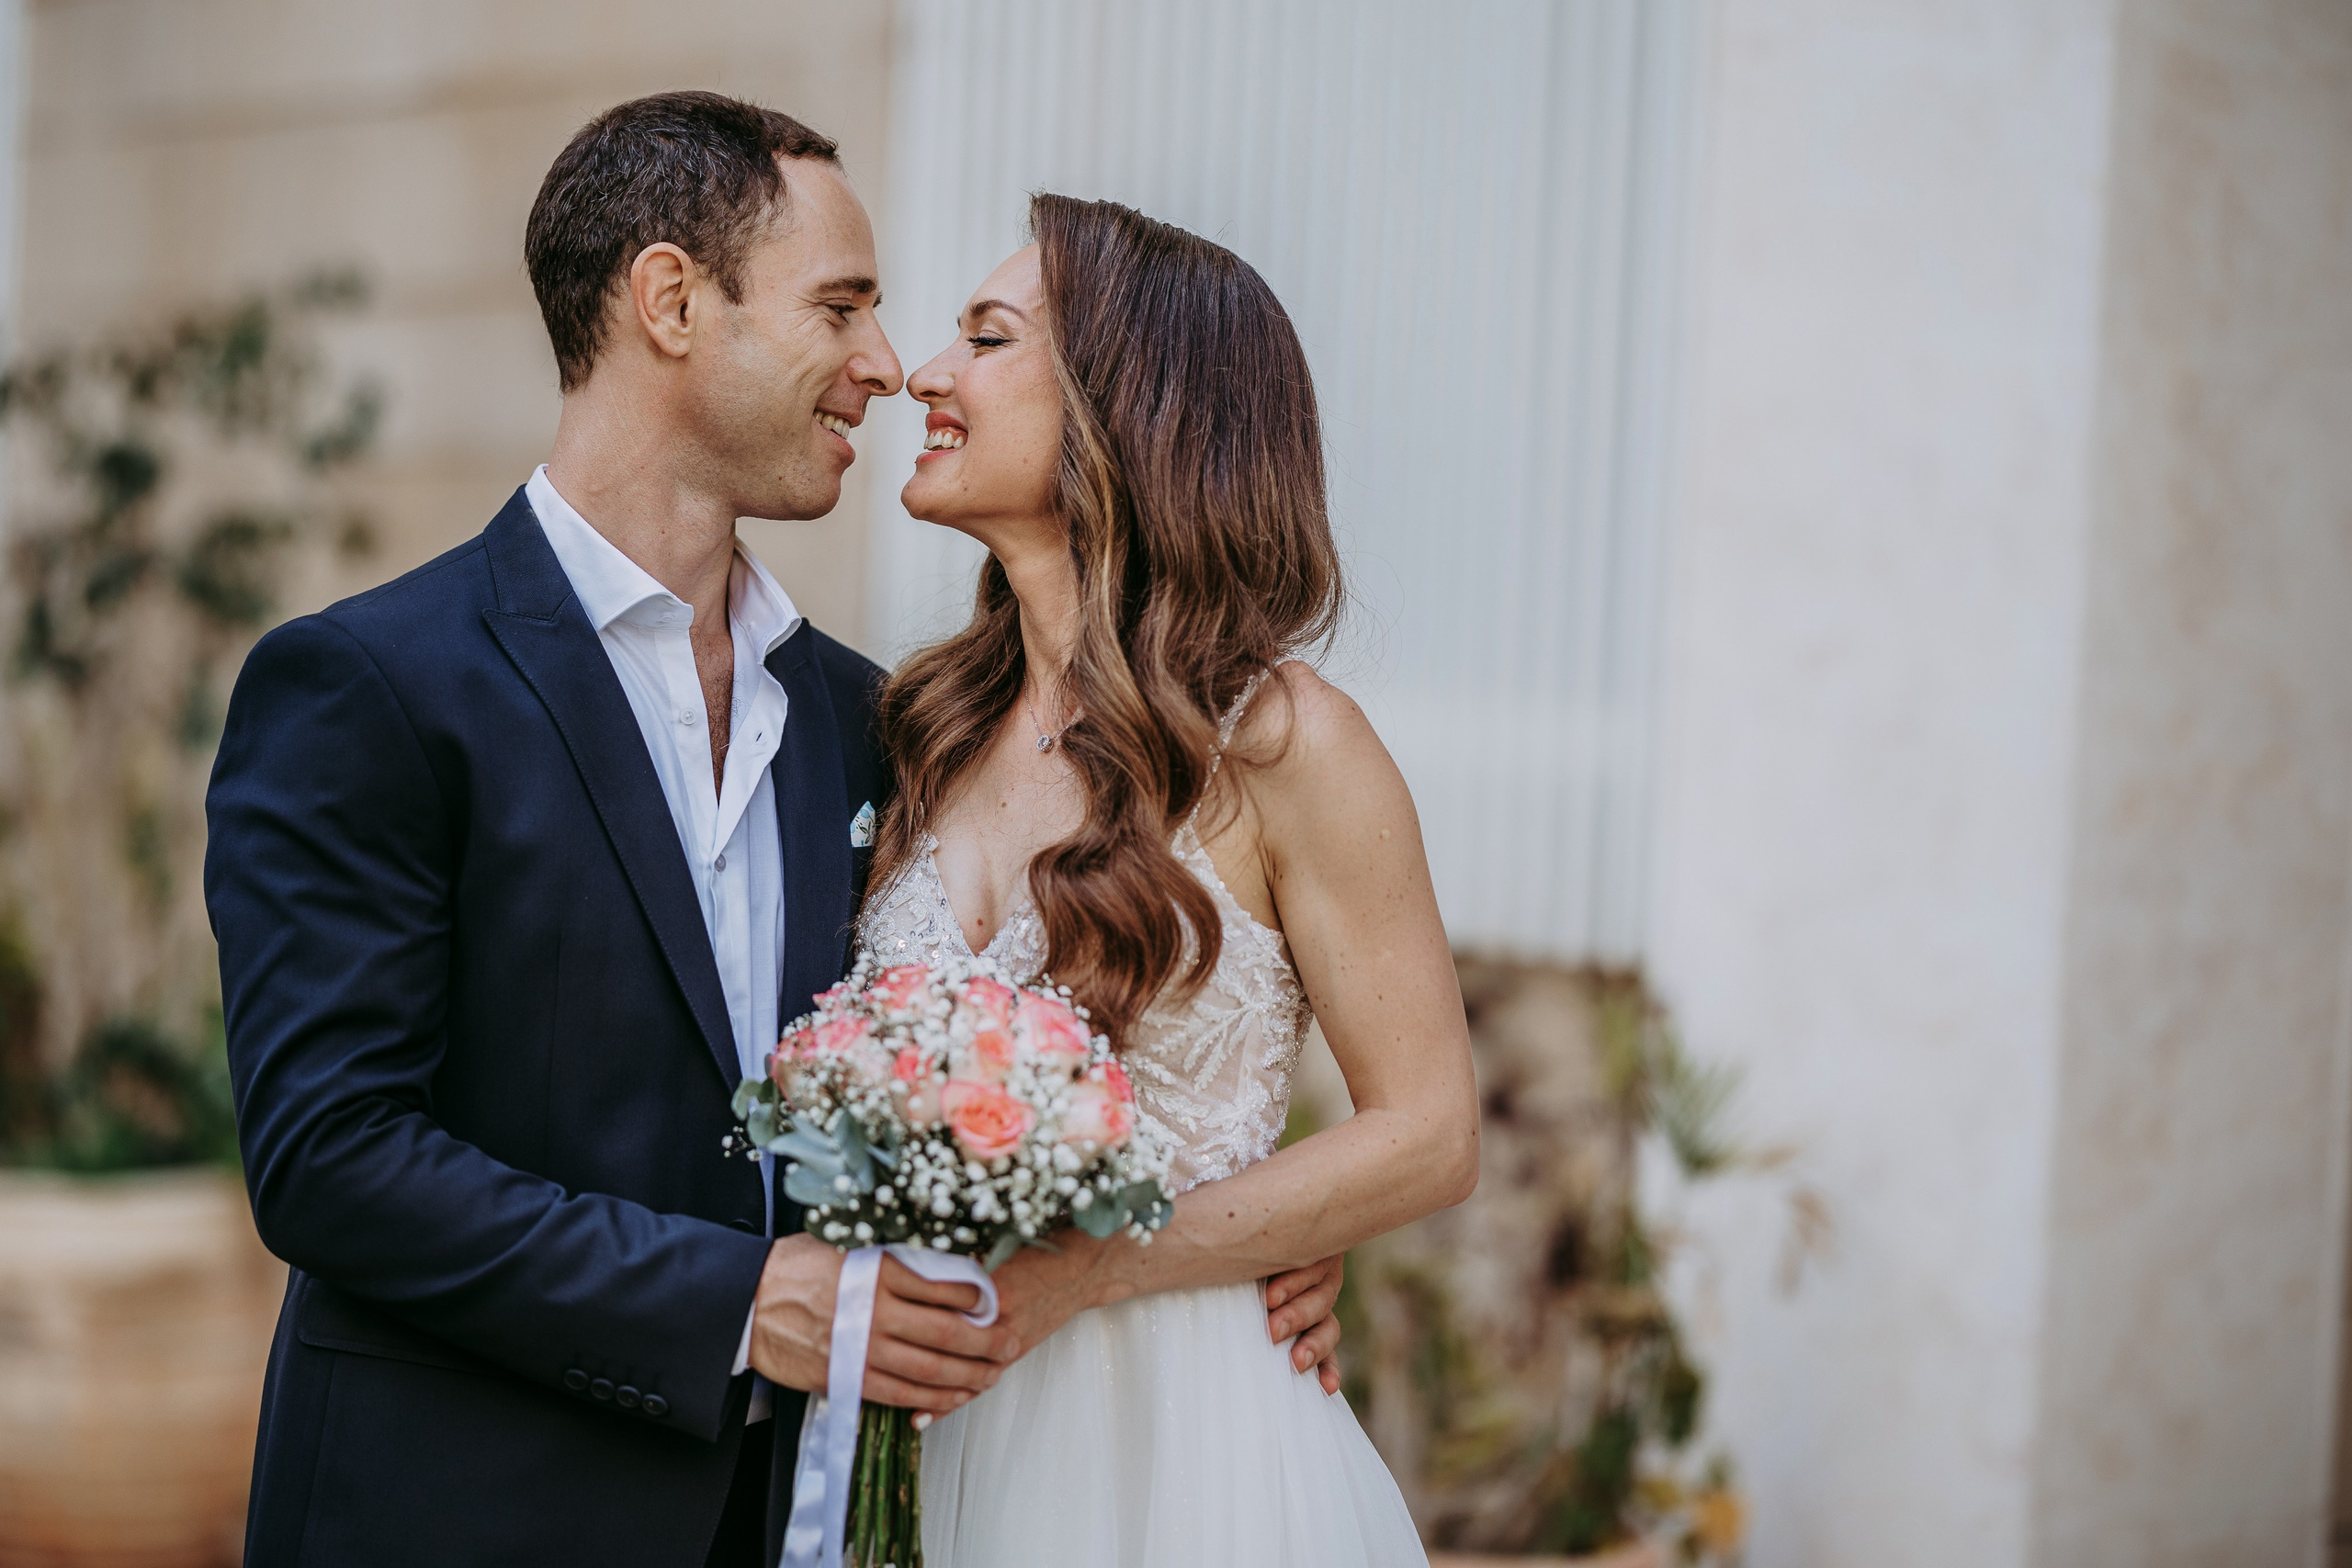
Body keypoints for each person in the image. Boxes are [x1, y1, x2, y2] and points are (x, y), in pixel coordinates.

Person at [203, 95, 1344, 1568]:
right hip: (460, 1510)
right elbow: (329, 1156)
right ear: (671, 300)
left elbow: (1026, 1049)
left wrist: (1235, 1234)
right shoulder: (370, 686)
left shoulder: (887, 724)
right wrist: (741, 1305)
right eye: (843, 306)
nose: (885, 366)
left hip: (803, 1524)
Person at [856, 194, 1482, 1566]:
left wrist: (1106, 1262)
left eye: (988, 337)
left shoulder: (1282, 743)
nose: (924, 371)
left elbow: (1431, 1131)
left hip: (1186, 1450)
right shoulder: (922, 731)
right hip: (937, 1422)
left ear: (1123, 405)